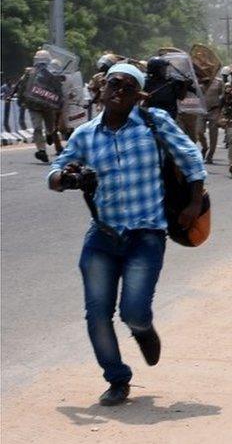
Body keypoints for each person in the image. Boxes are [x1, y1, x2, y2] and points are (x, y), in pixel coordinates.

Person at [47, 62, 206, 406]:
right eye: (114, 84)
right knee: (97, 314)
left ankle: (143, 330)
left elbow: (192, 159)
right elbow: (55, 173)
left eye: (128, 87)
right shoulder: (85, 134)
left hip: (146, 235)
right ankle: (117, 378)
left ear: (139, 96)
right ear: (101, 89)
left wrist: (194, 202)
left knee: (133, 312)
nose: (119, 91)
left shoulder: (155, 123)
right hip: (102, 237)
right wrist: (66, 178)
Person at [17, 50, 61, 162]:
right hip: (33, 105)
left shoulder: (53, 74)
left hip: (48, 106)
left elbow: (58, 90)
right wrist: (20, 99)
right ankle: (41, 150)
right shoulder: (29, 73)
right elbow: (22, 86)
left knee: (50, 128)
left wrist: (59, 102)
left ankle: (49, 134)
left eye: (43, 62)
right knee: (37, 128)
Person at [143, 56, 193, 120]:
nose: (165, 70)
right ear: (156, 69)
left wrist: (185, 86)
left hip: (169, 117)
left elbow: (181, 97)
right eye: (163, 68)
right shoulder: (145, 82)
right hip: (151, 116)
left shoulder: (171, 82)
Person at [198, 67, 224, 164]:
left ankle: (210, 155)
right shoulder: (198, 81)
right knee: (199, 132)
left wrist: (221, 112)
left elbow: (223, 97)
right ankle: (204, 147)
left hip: (214, 110)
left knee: (213, 135)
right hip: (201, 110)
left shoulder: (218, 82)